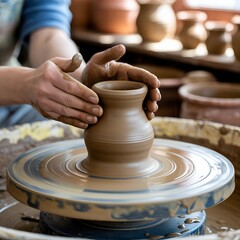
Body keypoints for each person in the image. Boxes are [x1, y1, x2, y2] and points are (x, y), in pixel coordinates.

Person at [0, 0, 161, 129]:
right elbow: (24, 86)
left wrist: (79, 78)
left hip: (15, 108)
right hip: (14, 89)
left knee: (73, 127)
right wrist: (24, 85)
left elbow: (47, 35)